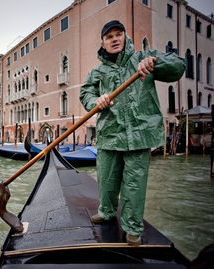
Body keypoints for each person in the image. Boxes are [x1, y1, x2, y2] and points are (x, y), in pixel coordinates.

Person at [79, 20, 185, 245]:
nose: (115, 39)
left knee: (134, 184)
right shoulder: (97, 71)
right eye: (110, 37)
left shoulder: (142, 59)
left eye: (119, 34)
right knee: (106, 180)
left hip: (139, 133)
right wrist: (95, 100)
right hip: (109, 133)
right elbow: (85, 93)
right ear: (103, 42)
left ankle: (133, 228)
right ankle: (107, 212)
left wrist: (156, 62)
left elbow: (178, 66)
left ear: (125, 37)